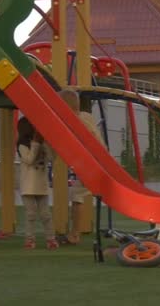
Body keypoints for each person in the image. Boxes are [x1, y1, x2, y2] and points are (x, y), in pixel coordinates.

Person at [57, 89, 105, 245]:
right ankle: (74, 232)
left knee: (77, 197)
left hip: (91, 164)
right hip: (99, 161)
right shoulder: (86, 116)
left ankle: (75, 234)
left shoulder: (76, 121)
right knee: (77, 195)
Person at [17, 117, 58, 250]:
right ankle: (29, 239)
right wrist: (35, 144)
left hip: (42, 184)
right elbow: (29, 160)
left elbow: (52, 158)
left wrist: (45, 144)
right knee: (31, 214)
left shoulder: (42, 144)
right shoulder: (22, 145)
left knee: (46, 214)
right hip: (28, 185)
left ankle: (51, 239)